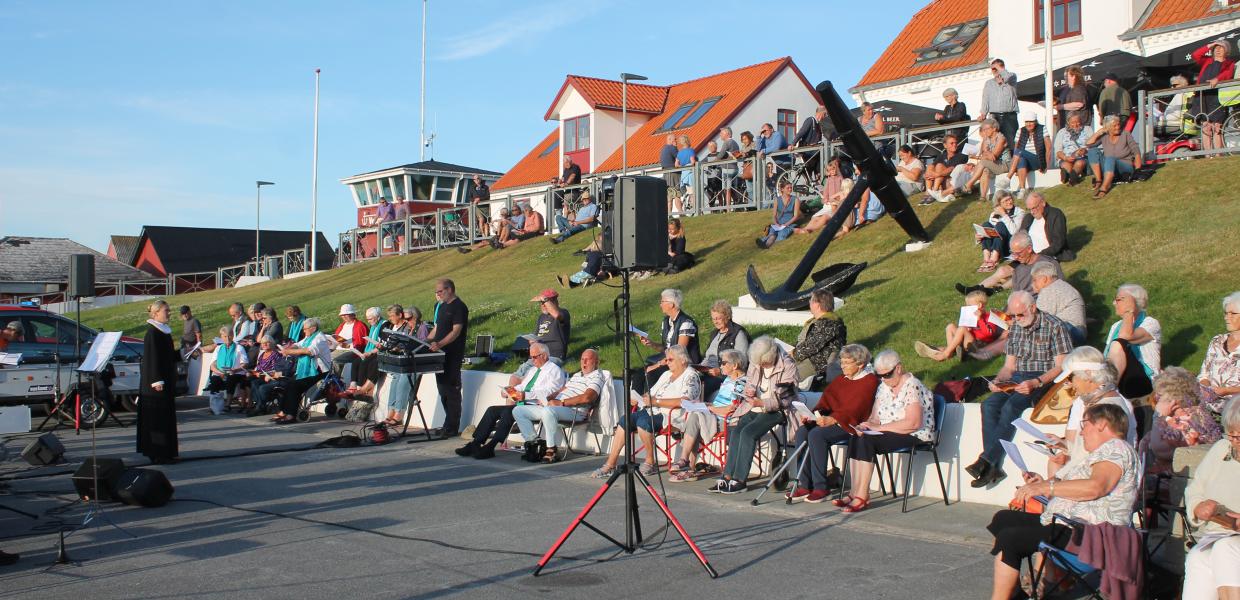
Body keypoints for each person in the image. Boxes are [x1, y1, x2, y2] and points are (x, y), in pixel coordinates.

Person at [985, 404, 1139, 600]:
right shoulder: (1104, 452)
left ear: (1101, 424)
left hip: (1091, 534)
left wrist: (1045, 488)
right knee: (1003, 519)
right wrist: (1043, 484)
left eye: (1085, 424)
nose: (1082, 433)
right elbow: (1078, 488)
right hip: (1071, 523)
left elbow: (1096, 487)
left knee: (1011, 538)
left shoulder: (1115, 449)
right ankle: (1015, 593)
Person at [968, 291, 1073, 488]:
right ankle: (992, 465)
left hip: (1045, 379)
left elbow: (1061, 366)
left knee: (1011, 407)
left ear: (1032, 308)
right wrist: (998, 381)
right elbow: (1009, 367)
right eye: (1014, 316)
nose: (1016, 319)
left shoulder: (1055, 326)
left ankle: (987, 461)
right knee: (989, 405)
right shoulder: (1016, 327)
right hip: (1018, 377)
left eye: (1020, 315)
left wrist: (1037, 382)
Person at [836, 349, 934, 513]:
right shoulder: (883, 387)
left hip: (914, 434)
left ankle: (862, 495)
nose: (884, 379)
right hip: (889, 431)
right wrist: (865, 425)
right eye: (880, 375)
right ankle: (854, 492)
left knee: (867, 440)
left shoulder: (913, 385)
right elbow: (875, 418)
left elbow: (913, 423)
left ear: (898, 368)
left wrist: (878, 428)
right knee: (857, 435)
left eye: (887, 375)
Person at [592, 345, 701, 478]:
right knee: (624, 420)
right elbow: (651, 393)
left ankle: (650, 462)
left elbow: (684, 401)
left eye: (670, 360)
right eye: (666, 360)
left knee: (643, 422)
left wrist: (656, 402)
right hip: (653, 410)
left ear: (683, 360)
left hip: (673, 415)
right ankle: (610, 464)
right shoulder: (667, 374)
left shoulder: (691, 375)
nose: (667, 363)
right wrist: (640, 399)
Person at [789, 344, 879, 503]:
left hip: (852, 424)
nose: (842, 366)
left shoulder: (869, 381)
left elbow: (858, 408)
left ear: (860, 364)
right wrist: (814, 414)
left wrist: (834, 419)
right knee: (803, 431)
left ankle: (821, 487)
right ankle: (805, 484)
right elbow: (827, 401)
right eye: (842, 362)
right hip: (833, 420)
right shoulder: (841, 380)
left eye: (847, 363)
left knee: (817, 435)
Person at [710, 337, 798, 494]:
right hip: (753, 405)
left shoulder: (788, 366)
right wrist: (748, 391)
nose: (760, 366)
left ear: (770, 357)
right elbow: (750, 382)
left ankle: (740, 480)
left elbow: (786, 399)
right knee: (736, 431)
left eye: (763, 363)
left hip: (776, 410)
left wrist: (762, 403)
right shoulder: (757, 362)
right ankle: (727, 476)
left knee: (748, 433)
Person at [1044, 347, 1139, 480]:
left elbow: (1088, 459)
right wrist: (1065, 445)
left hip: (1092, 485)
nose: (1069, 384)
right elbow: (1091, 450)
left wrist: (1051, 483)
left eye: (1071, 377)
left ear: (1088, 375)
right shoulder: (1104, 400)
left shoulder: (1104, 409)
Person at [1182, 396, 1240, 600]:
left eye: (1238, 437)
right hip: (1220, 533)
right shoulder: (1222, 450)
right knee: (1198, 557)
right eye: (1230, 435)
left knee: (1225, 550)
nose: (1233, 442)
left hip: (1231, 543)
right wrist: (1198, 507)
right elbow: (1195, 489)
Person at [512, 348, 606, 463]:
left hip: (575, 411)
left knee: (548, 411)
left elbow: (587, 397)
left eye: (588, 359)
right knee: (518, 410)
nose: (584, 362)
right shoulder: (577, 375)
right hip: (555, 407)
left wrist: (561, 403)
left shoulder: (597, 376)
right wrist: (547, 399)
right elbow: (564, 389)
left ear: (596, 362)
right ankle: (535, 444)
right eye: (582, 359)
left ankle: (551, 449)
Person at [671, 348, 749, 482]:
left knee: (695, 417)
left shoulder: (742, 382)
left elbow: (732, 409)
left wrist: (709, 408)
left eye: (723, 363)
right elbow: (718, 406)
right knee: (695, 416)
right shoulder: (727, 380)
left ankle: (686, 464)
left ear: (735, 365)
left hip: (727, 421)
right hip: (714, 416)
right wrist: (704, 405)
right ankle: (687, 465)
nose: (720, 366)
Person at [1144, 366, 1223, 475]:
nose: (1156, 397)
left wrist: (1158, 416)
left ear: (1174, 398)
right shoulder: (1176, 416)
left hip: (1175, 481)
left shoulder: (1188, 420)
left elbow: (1160, 451)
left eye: (1160, 395)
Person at [634, 288, 701, 393]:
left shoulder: (686, 322)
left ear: (671, 304)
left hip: (682, 363)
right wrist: (652, 344)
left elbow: (678, 352)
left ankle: (651, 405)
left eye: (662, 302)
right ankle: (636, 403)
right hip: (669, 360)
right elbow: (666, 348)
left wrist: (657, 365)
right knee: (638, 374)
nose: (660, 305)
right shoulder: (666, 321)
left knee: (651, 374)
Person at [138, 300, 180, 464]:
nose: (169, 313)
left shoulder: (163, 332)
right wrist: (156, 380)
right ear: (155, 314)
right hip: (156, 383)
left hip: (166, 380)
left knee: (165, 418)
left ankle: (167, 452)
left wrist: (184, 353)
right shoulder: (152, 333)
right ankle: (158, 453)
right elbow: (152, 358)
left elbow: (167, 356)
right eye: (166, 310)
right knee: (157, 419)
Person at [1103, 283, 1162, 399]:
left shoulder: (1150, 323)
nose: (1114, 303)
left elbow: (1125, 337)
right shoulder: (1115, 326)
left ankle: (1107, 388)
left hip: (1142, 378)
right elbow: (1106, 355)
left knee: (1118, 344)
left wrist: (1129, 311)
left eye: (1119, 299)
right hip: (1119, 376)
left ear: (1134, 301)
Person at [915, 290, 1002, 362]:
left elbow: (989, 334)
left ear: (979, 305)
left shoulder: (989, 317)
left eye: (969, 305)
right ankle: (950, 351)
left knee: (962, 329)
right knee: (950, 326)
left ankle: (945, 353)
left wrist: (980, 320)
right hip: (969, 342)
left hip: (980, 346)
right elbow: (963, 331)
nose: (967, 307)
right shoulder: (971, 316)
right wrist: (967, 327)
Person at [429, 278, 468, 436]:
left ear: (449, 289)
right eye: (437, 292)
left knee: (451, 390)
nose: (438, 294)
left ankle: (452, 427)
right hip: (439, 355)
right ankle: (447, 423)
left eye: (440, 291)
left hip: (452, 354)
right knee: (442, 389)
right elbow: (436, 329)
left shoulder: (459, 307)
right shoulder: (442, 306)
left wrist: (440, 344)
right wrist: (424, 342)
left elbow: (456, 331)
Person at [276, 317, 332, 424]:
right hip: (308, 371)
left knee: (295, 386)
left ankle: (291, 415)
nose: (304, 331)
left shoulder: (320, 338)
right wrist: (290, 347)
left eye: (305, 329)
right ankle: (283, 411)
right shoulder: (308, 338)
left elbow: (310, 351)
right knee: (287, 383)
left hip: (319, 372)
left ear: (313, 328)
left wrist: (290, 352)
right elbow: (299, 344)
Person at [792, 288, 846, 388]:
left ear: (817, 304)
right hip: (807, 358)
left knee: (788, 376)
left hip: (817, 362)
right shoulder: (816, 321)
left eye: (811, 300)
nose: (809, 302)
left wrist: (793, 353)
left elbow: (812, 346)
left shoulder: (829, 323)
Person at [697, 300, 751, 399]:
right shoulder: (714, 333)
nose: (715, 321)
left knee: (700, 388)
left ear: (727, 316)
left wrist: (720, 371)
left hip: (723, 376)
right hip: (708, 371)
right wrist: (699, 367)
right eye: (713, 319)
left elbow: (742, 361)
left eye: (718, 318)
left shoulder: (738, 334)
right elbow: (707, 356)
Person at [1193, 39, 1236, 154]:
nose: (1218, 50)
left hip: (1217, 96)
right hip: (1202, 97)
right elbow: (1195, 55)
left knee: (1217, 127)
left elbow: (1228, 73)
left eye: (1221, 47)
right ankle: (1208, 155)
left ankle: (1218, 154)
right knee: (1206, 126)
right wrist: (1210, 45)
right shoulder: (1207, 61)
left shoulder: (1229, 63)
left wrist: (1218, 79)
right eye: (1216, 48)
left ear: (1226, 51)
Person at [1030, 261, 1087, 344]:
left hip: (1070, 332)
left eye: (1035, 280)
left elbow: (1036, 319)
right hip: (1077, 332)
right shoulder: (1062, 285)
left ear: (1044, 279)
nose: (1032, 284)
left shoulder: (1049, 291)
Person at [1086, 115, 1142, 199]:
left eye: (1118, 124)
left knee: (1110, 158)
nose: (1118, 127)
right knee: (1092, 151)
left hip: (1125, 166)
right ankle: (1098, 180)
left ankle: (1104, 188)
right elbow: (1089, 144)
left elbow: (1136, 151)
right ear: (1107, 128)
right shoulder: (1104, 136)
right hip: (1109, 166)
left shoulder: (1125, 134)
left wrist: (1138, 169)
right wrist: (1099, 132)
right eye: (1114, 126)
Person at [1200, 291, 1240, 399]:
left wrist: (1228, 391)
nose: (1227, 317)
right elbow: (1204, 375)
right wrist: (1208, 390)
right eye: (1226, 313)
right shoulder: (1217, 341)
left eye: (1233, 313)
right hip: (1210, 408)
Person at [975, 190, 1024, 272]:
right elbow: (991, 233)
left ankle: (994, 259)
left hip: (1010, 245)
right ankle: (986, 258)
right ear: (999, 204)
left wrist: (1004, 215)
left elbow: (1014, 232)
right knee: (986, 224)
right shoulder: (994, 215)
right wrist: (978, 238)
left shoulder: (1019, 212)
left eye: (1010, 199)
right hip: (997, 245)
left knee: (1000, 225)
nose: (1009, 202)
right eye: (1005, 201)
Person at [1018, 191, 1073, 263]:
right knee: (1002, 271)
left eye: (1034, 208)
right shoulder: (1029, 218)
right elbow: (1020, 237)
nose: (1032, 212)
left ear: (1043, 203)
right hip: (1026, 256)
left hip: (1046, 257)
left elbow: (1058, 243)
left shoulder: (1055, 214)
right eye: (1029, 209)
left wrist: (1038, 256)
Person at [962, 118, 1008, 202]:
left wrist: (988, 153)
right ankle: (983, 197)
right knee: (985, 170)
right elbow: (983, 154)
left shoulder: (1001, 138)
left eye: (987, 129)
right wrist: (987, 152)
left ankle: (969, 184)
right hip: (994, 164)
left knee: (983, 163)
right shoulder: (987, 139)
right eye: (983, 129)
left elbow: (994, 156)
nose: (985, 131)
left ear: (994, 128)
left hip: (1004, 164)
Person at [246, 334, 292, 416]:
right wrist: (255, 372)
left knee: (261, 386)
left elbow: (277, 369)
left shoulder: (275, 354)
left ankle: (259, 407)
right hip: (263, 376)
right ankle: (260, 405)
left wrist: (269, 374)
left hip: (273, 377)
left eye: (267, 343)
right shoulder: (262, 355)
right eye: (263, 343)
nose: (264, 345)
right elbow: (259, 368)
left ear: (272, 343)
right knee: (253, 382)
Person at [202, 326, 249, 405]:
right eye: (225, 336)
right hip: (220, 372)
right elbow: (212, 365)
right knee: (214, 380)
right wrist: (220, 373)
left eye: (229, 336)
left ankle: (228, 404)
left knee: (231, 379)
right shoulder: (218, 348)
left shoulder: (239, 348)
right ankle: (214, 404)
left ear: (233, 336)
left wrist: (235, 370)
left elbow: (245, 363)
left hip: (235, 372)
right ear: (221, 337)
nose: (227, 338)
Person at [1005, 112, 1047, 199]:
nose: (1029, 124)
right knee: (1021, 160)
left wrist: (1047, 165)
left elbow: (1049, 148)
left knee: (1019, 151)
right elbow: (1015, 152)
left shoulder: (1042, 128)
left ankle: (1008, 178)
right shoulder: (1020, 131)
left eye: (1031, 122)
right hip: (1024, 159)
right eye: (1027, 122)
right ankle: (1022, 190)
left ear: (1035, 122)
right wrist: (1015, 167)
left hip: (1038, 159)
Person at [979, 58, 1019, 147]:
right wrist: (983, 113)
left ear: (1002, 67)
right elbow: (985, 98)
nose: (994, 71)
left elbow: (1007, 77)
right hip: (994, 116)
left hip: (1009, 116)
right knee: (994, 140)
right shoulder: (989, 83)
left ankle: (1012, 159)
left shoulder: (1011, 77)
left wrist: (999, 69)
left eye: (995, 68)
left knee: (1011, 141)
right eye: (992, 69)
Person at [755, 181, 800, 249]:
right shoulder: (777, 199)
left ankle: (769, 245)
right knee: (772, 235)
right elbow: (774, 215)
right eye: (788, 188)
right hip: (778, 223)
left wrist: (786, 224)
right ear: (782, 189)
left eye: (791, 188)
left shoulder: (795, 199)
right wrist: (776, 223)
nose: (790, 189)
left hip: (789, 223)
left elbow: (796, 216)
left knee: (781, 236)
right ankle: (766, 245)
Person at [925, 133, 969, 203]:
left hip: (952, 182)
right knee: (930, 166)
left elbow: (951, 169)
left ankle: (934, 192)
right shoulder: (943, 155)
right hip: (942, 181)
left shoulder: (961, 155)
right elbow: (932, 165)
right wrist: (930, 173)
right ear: (945, 145)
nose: (954, 145)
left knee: (939, 166)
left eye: (955, 143)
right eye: (952, 143)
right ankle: (928, 193)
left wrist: (937, 175)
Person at [529, 289, 570, 362]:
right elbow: (535, 336)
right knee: (522, 370)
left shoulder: (563, 313)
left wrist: (544, 298)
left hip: (554, 354)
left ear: (554, 302)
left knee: (543, 371)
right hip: (539, 353)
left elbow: (556, 315)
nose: (543, 305)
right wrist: (532, 341)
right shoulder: (541, 317)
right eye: (541, 303)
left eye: (544, 302)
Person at [331, 304, 367, 387]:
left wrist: (345, 346)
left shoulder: (360, 326)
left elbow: (360, 346)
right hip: (339, 349)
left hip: (351, 351)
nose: (344, 317)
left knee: (334, 360)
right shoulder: (342, 326)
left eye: (346, 314)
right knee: (324, 359)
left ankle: (335, 384)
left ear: (352, 314)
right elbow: (336, 338)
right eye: (342, 315)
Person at [1054, 113, 1093, 186]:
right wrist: (1065, 157)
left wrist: (1084, 150)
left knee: (1079, 163)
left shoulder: (1087, 129)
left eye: (1077, 122)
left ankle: (1071, 179)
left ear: (1081, 121)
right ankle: (1073, 177)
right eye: (1072, 122)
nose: (1075, 125)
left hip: (1083, 157)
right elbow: (1058, 151)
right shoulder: (1062, 132)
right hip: (1066, 157)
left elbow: (1092, 144)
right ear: (1068, 122)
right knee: (1066, 164)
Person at [674, 135, 697, 213]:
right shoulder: (690, 150)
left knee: (688, 192)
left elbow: (676, 165)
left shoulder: (679, 152)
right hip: (690, 172)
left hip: (684, 173)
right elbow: (693, 162)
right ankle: (694, 210)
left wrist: (683, 166)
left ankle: (689, 208)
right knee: (693, 192)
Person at [659, 133, 680, 206]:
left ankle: (669, 214)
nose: (676, 141)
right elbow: (679, 158)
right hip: (674, 173)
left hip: (665, 174)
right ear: (670, 140)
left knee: (669, 194)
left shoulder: (663, 149)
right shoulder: (672, 148)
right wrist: (676, 147)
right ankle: (680, 212)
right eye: (675, 139)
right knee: (677, 193)